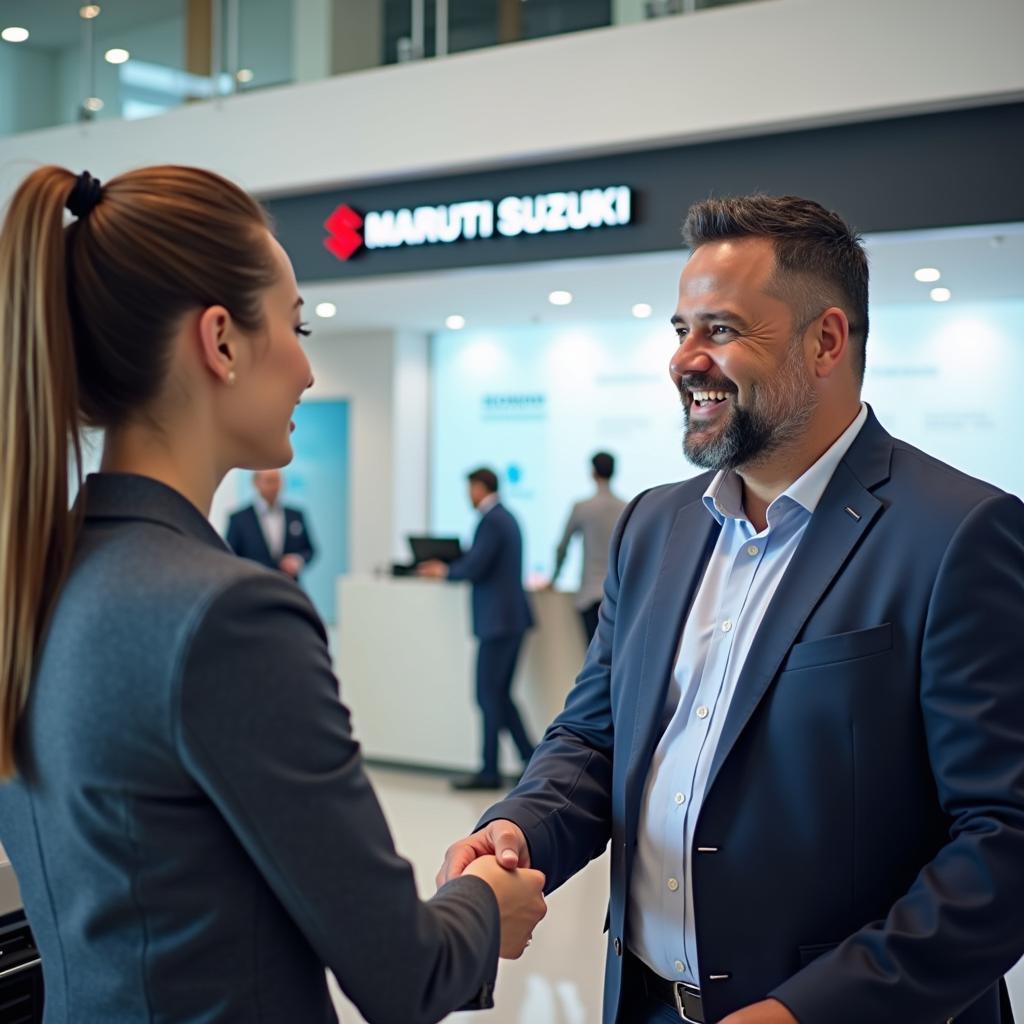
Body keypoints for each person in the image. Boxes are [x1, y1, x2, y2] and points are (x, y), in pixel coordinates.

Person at [437, 195, 1024, 1024]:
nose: (685, 359)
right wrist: (520, 829)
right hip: (642, 1003)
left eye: (719, 330)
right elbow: (595, 736)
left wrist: (806, 1014)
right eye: (680, 329)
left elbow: (1006, 842)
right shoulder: (655, 525)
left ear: (826, 341)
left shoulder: (958, 534)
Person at [0, 165, 546, 1023]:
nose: (304, 368)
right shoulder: (227, 615)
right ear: (219, 342)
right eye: (296, 326)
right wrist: (485, 899)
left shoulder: (33, 580)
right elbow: (404, 974)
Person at [418, 468, 536, 791]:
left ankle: (490, 771)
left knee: (487, 695)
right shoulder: (504, 518)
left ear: (480, 487)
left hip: (499, 621)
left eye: (469, 489)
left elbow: (475, 565)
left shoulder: (493, 520)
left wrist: (444, 570)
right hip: (507, 619)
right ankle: (532, 760)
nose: (468, 496)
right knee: (499, 696)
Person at [547, 451, 627, 644]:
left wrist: (555, 577)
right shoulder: (625, 507)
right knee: (616, 656)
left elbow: (562, 547)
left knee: (592, 656)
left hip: (588, 594)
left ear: (592, 473)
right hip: (617, 595)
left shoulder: (582, 507)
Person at [226, 468, 315, 580]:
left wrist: (297, 560)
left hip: (289, 586)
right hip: (253, 585)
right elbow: (230, 556)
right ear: (256, 483)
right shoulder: (239, 519)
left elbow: (309, 549)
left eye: (277, 481)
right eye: (269, 481)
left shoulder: (295, 515)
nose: (274, 486)